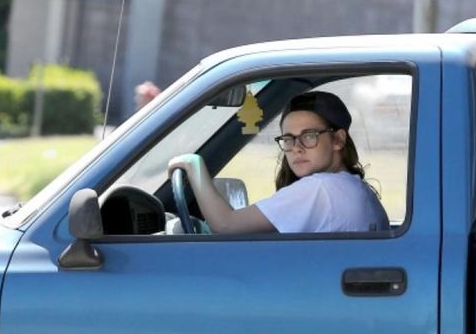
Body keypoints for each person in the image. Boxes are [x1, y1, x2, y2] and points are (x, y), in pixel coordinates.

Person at [167, 91, 390, 234]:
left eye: (309, 135)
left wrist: (193, 164)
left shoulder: (320, 189)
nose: (296, 147)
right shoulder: (358, 189)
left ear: (338, 140)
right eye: (288, 138)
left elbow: (226, 225)